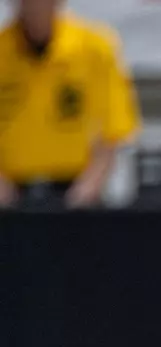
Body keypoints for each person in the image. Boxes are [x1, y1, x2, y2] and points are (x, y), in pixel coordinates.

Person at [0, 0, 138, 209]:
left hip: (75, 187)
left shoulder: (93, 47)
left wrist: (89, 186)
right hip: (10, 192)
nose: (36, 6)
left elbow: (114, 128)